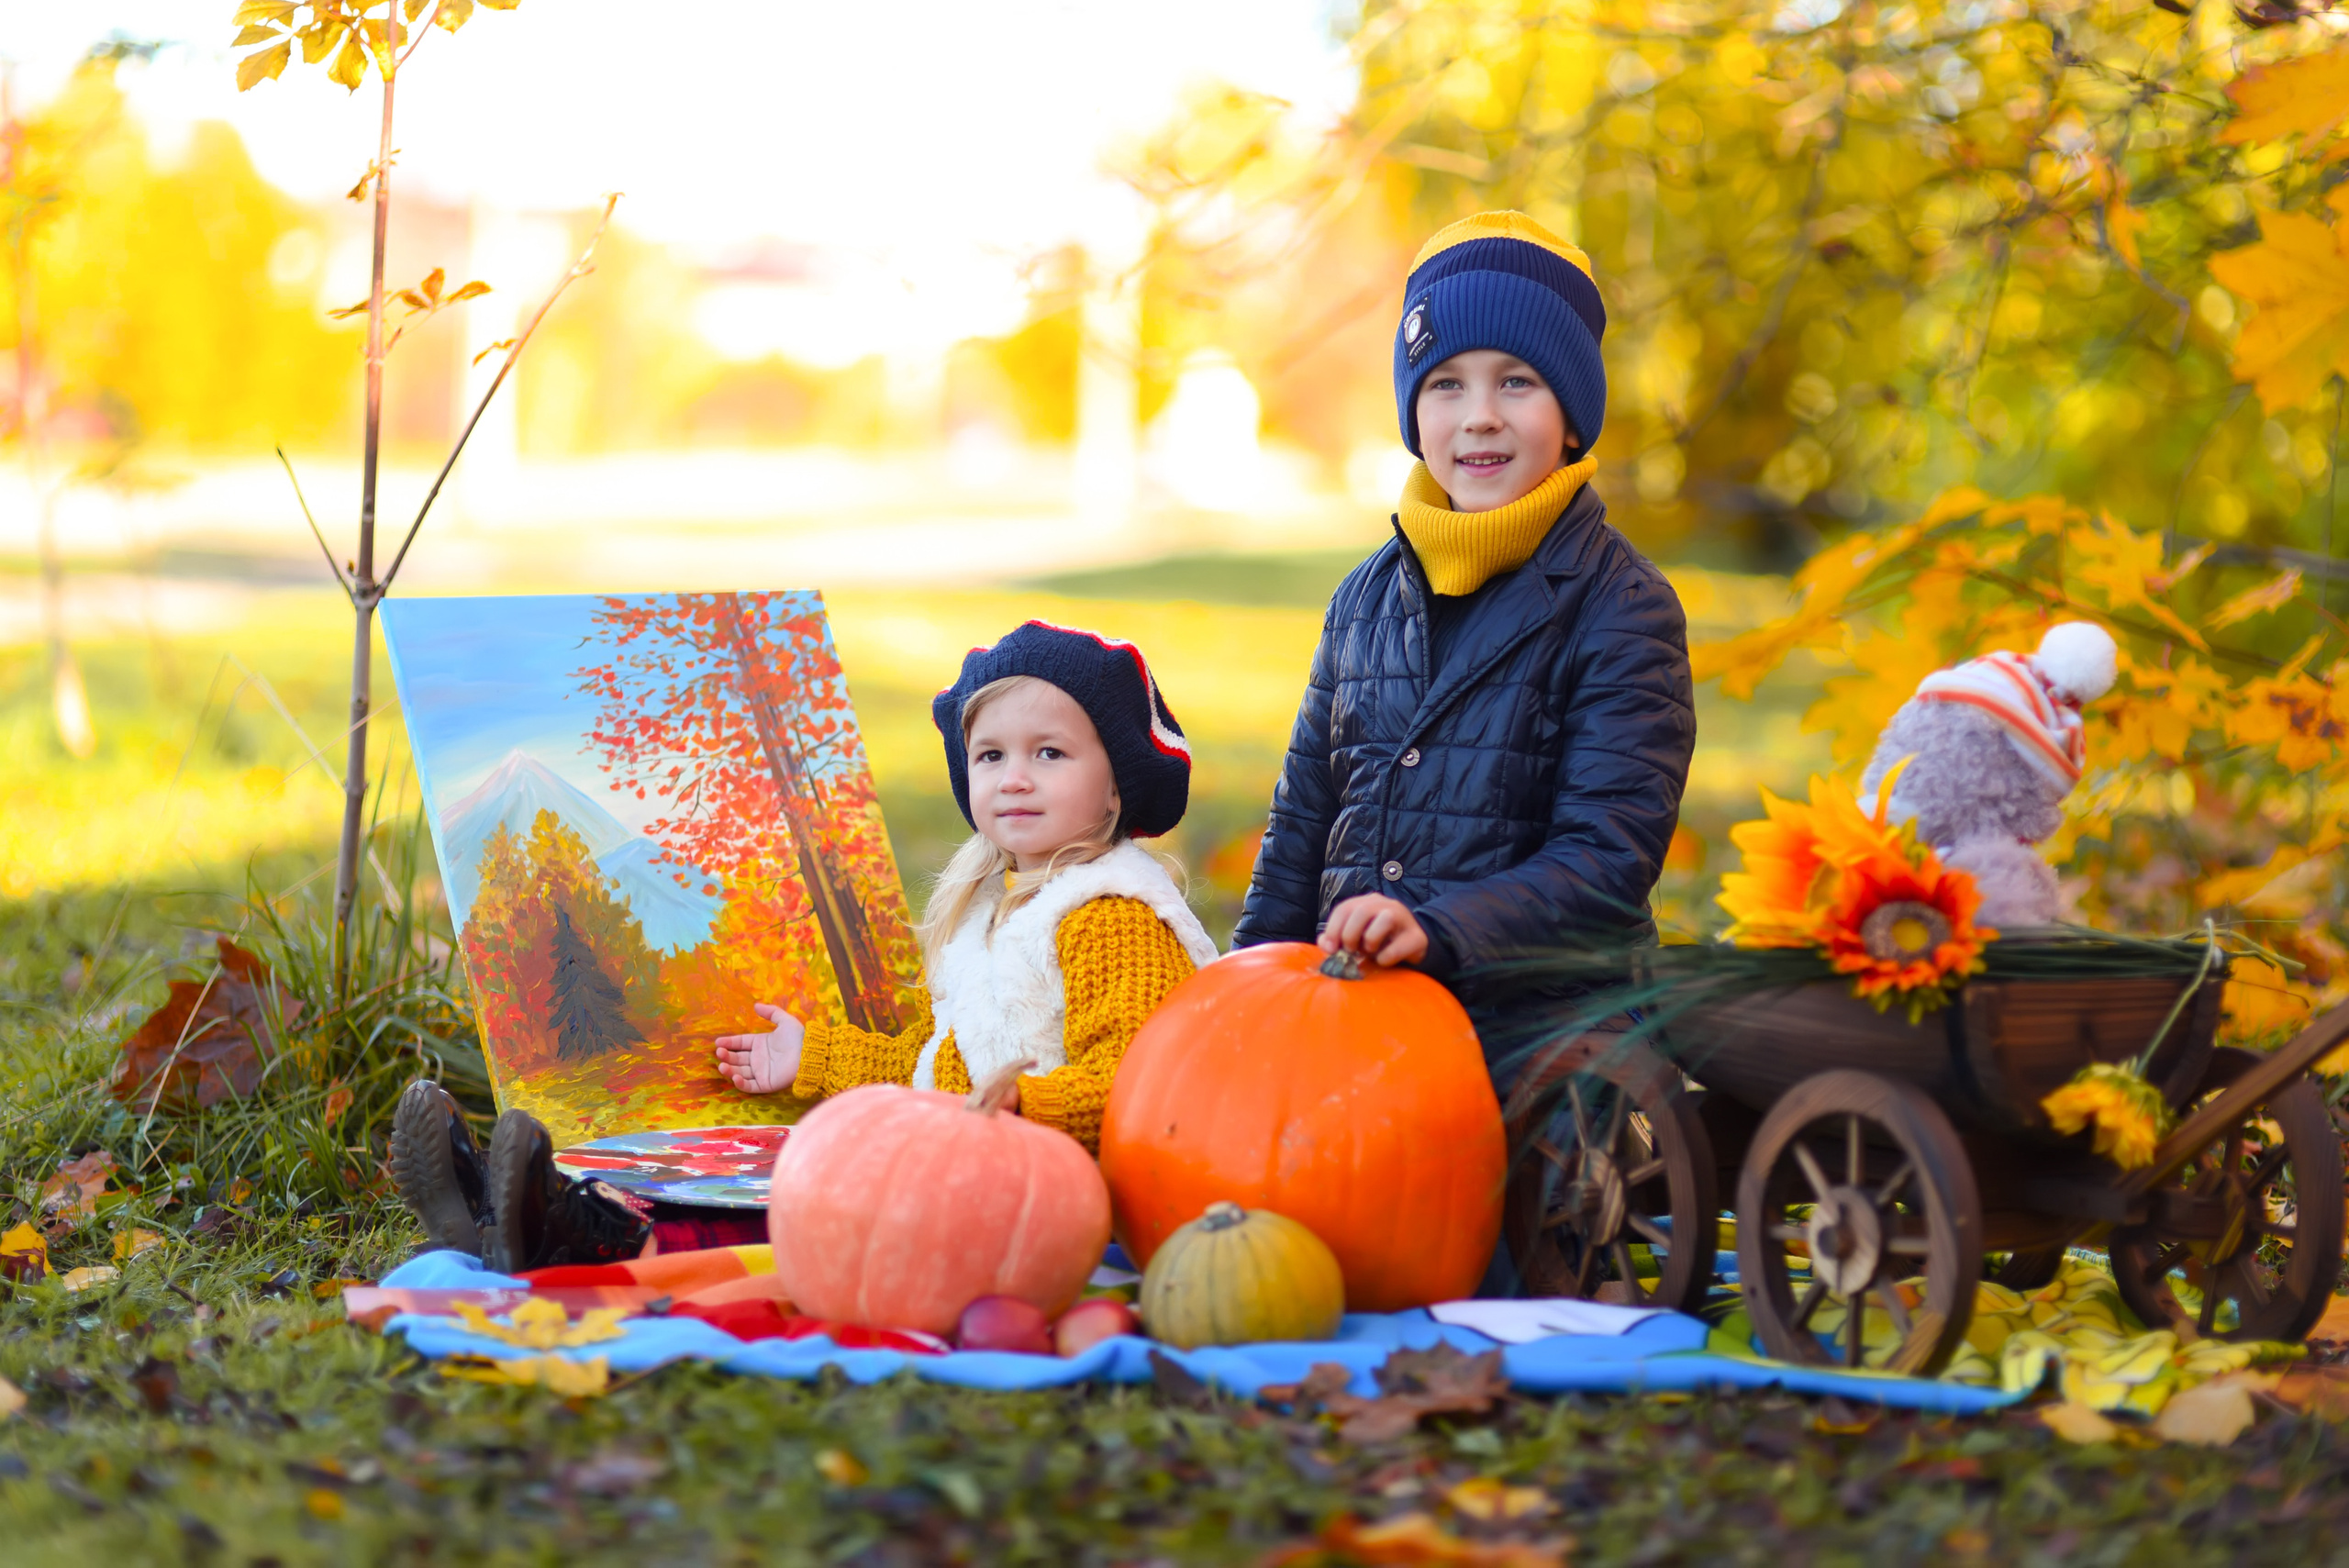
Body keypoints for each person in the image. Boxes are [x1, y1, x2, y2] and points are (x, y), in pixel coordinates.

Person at [390, 621, 1218, 1272]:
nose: (1015, 777)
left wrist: (1013, 1111)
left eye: (1051, 754)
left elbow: (1136, 1080)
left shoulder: (1111, 912)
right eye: (992, 754)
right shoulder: (990, 911)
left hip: (1065, 1195)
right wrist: (811, 1056)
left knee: (826, 1207)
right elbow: (930, 1066)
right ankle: (504, 1219)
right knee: (805, 1167)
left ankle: (582, 1235)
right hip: (981, 1161)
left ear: (1115, 787)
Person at [1232, 209, 1695, 1048]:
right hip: (1360, 1011)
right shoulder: (1361, 602)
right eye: (1446, 383)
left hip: (1543, 1022)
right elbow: (1300, 829)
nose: (1480, 415)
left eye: (1516, 381)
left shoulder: (1622, 605)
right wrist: (1246, 996)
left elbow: (1605, 858)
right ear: (1415, 413)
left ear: (1573, 414)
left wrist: (1441, 929)